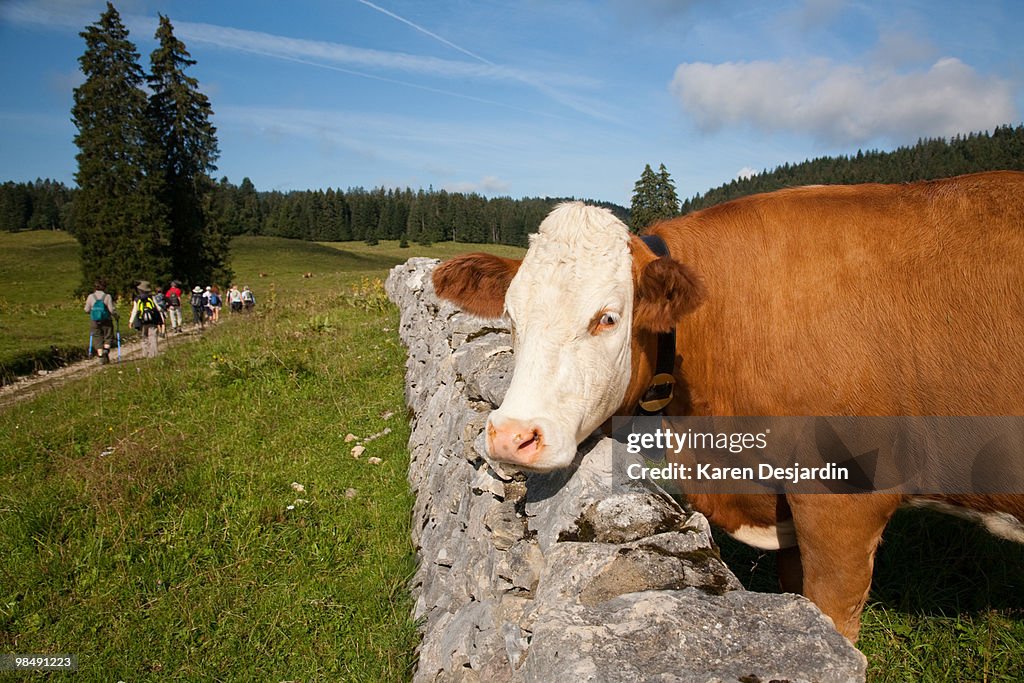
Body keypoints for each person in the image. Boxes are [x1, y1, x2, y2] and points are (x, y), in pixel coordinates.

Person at [83, 279, 118, 365]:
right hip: (106, 320)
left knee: (97, 336)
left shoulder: (91, 296)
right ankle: (106, 351)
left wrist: (92, 312)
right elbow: (111, 310)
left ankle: (100, 354)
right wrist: (116, 316)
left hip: (94, 320)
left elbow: (86, 310)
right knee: (108, 336)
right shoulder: (107, 296)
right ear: (104, 287)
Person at [129, 281, 163, 359]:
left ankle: (145, 353)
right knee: (153, 336)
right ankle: (153, 353)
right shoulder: (151, 297)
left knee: (144, 337)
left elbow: (135, 310)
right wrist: (162, 313)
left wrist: (131, 321)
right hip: (152, 320)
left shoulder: (137, 299)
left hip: (142, 321)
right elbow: (157, 307)